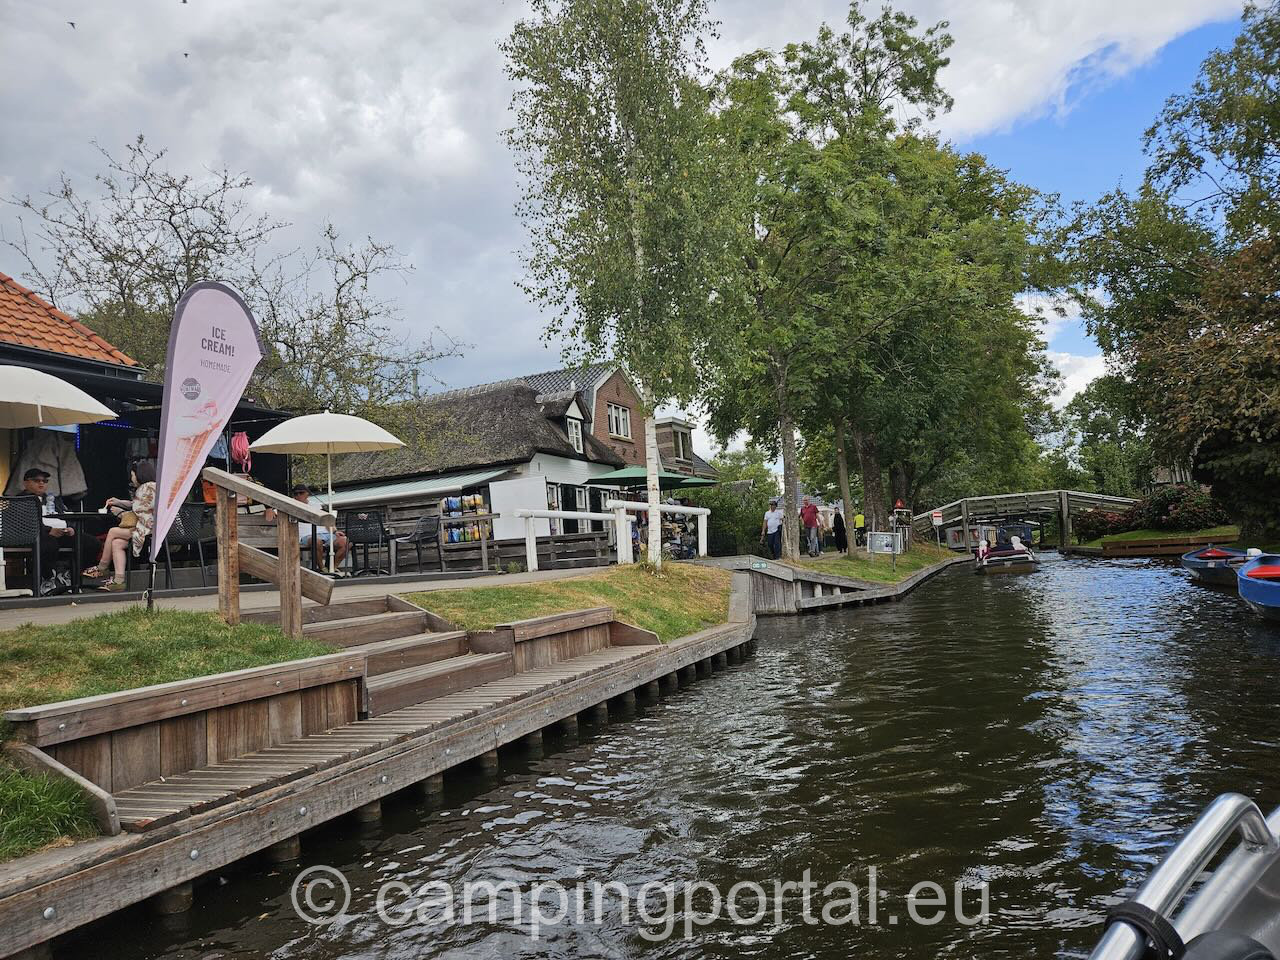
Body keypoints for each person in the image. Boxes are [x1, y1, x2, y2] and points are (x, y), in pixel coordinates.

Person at [19, 467, 98, 595]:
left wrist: (71, 528)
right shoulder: (20, 500)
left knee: (91, 543)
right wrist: (48, 531)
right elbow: (23, 522)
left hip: (61, 533)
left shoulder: (53, 499)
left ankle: (70, 574)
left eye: (44, 481)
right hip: (36, 535)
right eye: (37, 480)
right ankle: (47, 578)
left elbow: (66, 514)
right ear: (26, 483)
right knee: (49, 544)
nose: (41, 483)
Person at [93, 460, 157, 592]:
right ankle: (119, 581)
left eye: (132, 475)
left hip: (148, 531)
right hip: (154, 529)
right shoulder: (154, 487)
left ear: (140, 475)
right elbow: (137, 505)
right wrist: (119, 502)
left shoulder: (144, 488)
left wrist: (120, 513)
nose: (131, 479)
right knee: (117, 543)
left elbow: (138, 512)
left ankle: (102, 567)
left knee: (113, 531)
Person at [267, 484, 349, 571]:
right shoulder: (289, 505)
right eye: (295, 494)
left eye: (301, 493)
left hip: (325, 533)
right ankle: (322, 568)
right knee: (316, 541)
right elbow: (271, 512)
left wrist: (335, 531)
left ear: (307, 494)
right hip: (306, 536)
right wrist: (269, 510)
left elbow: (327, 521)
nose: (298, 495)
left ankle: (333, 567)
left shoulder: (316, 505)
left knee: (345, 541)